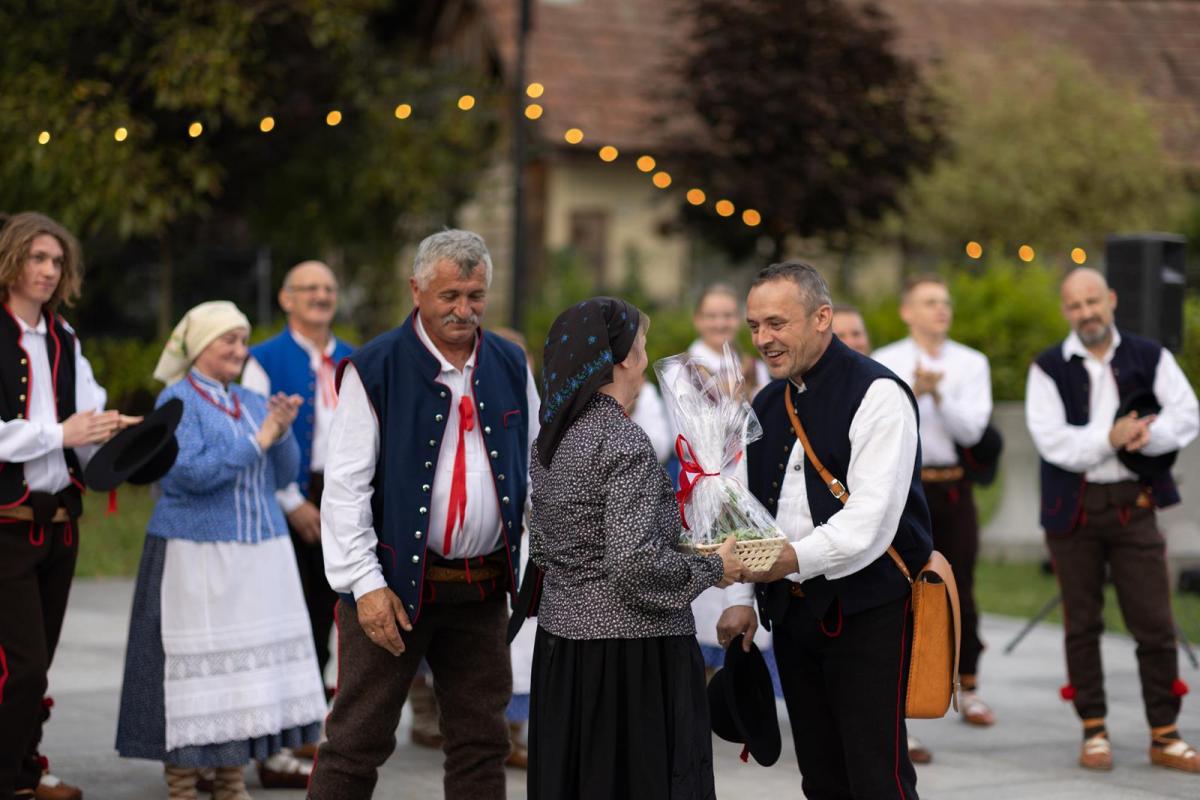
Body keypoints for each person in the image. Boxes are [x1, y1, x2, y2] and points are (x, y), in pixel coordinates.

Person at [309, 230, 539, 799]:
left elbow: (538, 469)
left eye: (476, 295)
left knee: (481, 743)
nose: (464, 309)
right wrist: (365, 586)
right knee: (356, 742)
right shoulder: (377, 366)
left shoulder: (511, 362)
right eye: (450, 296)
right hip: (392, 591)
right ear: (416, 290)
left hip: (482, 589)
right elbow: (344, 490)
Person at [718, 261, 933, 799]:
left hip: (868, 612)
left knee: (877, 775)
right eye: (754, 327)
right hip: (791, 614)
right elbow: (748, 510)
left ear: (822, 318)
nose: (763, 339)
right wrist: (742, 597)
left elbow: (871, 521)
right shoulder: (767, 401)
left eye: (777, 323)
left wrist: (788, 560)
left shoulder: (879, 393)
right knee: (819, 775)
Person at [527, 297, 740, 800]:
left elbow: (546, 547)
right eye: (642, 347)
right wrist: (713, 567)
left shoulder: (552, 440)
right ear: (621, 359)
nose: (645, 360)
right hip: (628, 659)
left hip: (564, 650)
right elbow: (634, 565)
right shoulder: (622, 441)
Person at [115, 301, 328, 799]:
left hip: (259, 551)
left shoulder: (252, 400)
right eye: (227, 339)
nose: (238, 349)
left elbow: (282, 475)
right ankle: (183, 782)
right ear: (198, 347)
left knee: (243, 675)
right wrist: (260, 439)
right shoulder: (176, 401)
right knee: (194, 673)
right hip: (196, 550)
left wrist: (281, 433)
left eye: (242, 340)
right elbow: (191, 474)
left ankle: (231, 778)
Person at [1025, 267, 1200, 773]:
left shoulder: (1150, 355)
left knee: (1155, 622)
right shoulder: (1048, 367)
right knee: (1082, 624)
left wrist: (1148, 435)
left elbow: (1187, 414)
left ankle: (1165, 733)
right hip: (1073, 509)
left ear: (1112, 300)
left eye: (1093, 302)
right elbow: (1052, 441)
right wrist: (1109, 438)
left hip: (1134, 505)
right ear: (1066, 311)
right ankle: (1093, 729)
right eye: (1076, 305)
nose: (1086, 313)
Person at [0, 212, 139, 800]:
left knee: (39, 664)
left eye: (57, 261)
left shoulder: (65, 337)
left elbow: (90, 415)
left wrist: (119, 433)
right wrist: (62, 433)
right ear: (10, 259)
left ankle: (27, 770)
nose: (49, 270)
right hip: (6, 525)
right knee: (19, 666)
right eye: (37, 257)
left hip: (60, 523)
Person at [241, 260, 353, 786]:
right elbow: (254, 433)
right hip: (289, 498)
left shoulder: (354, 357)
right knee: (294, 615)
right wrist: (290, 500)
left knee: (336, 614)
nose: (320, 296)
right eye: (309, 288)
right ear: (286, 299)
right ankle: (288, 730)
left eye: (328, 288)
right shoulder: (263, 359)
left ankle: (315, 723)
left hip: (345, 496)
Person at [873, 275, 996, 728]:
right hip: (904, 487)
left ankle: (970, 683)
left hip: (952, 485)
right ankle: (903, 686)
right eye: (929, 302)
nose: (941, 309)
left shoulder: (971, 363)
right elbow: (881, 422)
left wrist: (939, 396)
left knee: (961, 582)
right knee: (899, 585)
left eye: (945, 302)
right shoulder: (885, 360)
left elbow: (973, 430)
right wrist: (913, 389)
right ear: (907, 311)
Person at [686, 283, 772, 668]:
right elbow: (686, 431)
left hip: (745, 476)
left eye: (727, 315)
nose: (720, 323)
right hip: (706, 480)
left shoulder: (752, 363)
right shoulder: (687, 367)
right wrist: (727, 400)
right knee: (710, 570)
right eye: (712, 315)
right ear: (698, 319)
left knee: (748, 558)